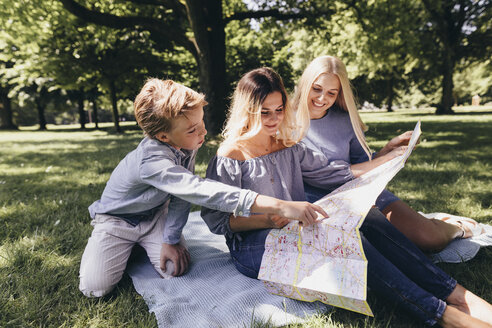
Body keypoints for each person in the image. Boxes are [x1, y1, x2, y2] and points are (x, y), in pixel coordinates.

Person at [201, 67, 492, 327]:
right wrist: (269, 219)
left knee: (369, 216)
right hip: (254, 249)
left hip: (295, 231)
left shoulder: (287, 146)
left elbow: (335, 173)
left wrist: (388, 156)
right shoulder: (230, 155)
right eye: (265, 112)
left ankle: (456, 293)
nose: (275, 119)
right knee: (343, 241)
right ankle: (441, 313)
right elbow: (216, 220)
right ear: (248, 111)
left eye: (279, 109)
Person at [79, 78, 327, 298]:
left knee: (174, 268)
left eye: (201, 123)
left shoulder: (186, 142)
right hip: (117, 222)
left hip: (156, 216)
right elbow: (198, 189)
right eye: (193, 129)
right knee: (95, 289)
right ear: (164, 136)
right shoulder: (151, 161)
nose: (203, 132)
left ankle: (145, 243)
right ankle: (121, 246)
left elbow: (180, 196)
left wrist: (171, 237)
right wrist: (280, 206)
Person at [293, 55, 483, 252]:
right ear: (306, 83)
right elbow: (323, 175)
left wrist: (388, 151)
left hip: (361, 191)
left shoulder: (344, 119)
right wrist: (384, 158)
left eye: (332, 93)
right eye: (317, 89)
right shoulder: (282, 120)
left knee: (429, 239)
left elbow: (364, 164)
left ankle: (457, 227)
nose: (322, 99)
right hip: (318, 202)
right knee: (381, 251)